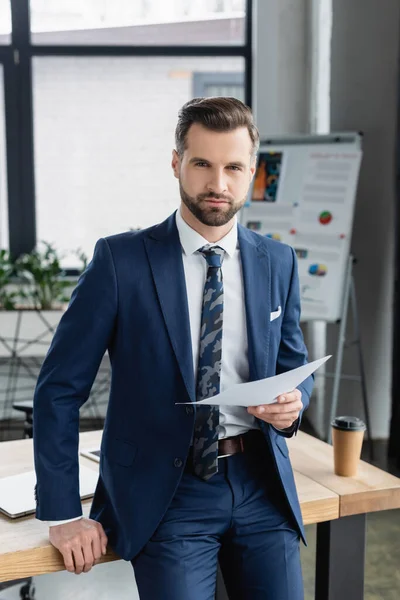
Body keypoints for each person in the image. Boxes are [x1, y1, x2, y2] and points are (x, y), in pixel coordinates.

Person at [33, 97, 313, 600]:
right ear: (176, 162)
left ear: (252, 171)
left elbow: (294, 367)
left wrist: (293, 404)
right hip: (169, 492)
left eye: (233, 167)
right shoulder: (120, 261)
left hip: (260, 483)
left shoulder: (278, 261)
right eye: (202, 163)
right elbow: (58, 391)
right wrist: (62, 513)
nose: (218, 184)